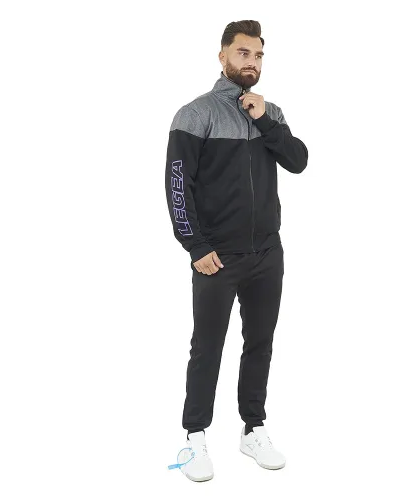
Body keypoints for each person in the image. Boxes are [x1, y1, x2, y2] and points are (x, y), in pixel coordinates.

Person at [165, 20, 308, 482]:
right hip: (217, 257)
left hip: (267, 253)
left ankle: (253, 428)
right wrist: (195, 245)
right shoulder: (196, 114)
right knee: (207, 347)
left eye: (259, 55)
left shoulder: (271, 112)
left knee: (260, 343)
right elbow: (177, 185)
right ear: (223, 56)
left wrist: (264, 119)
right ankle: (195, 436)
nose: (252, 62)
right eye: (243, 53)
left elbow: (298, 161)